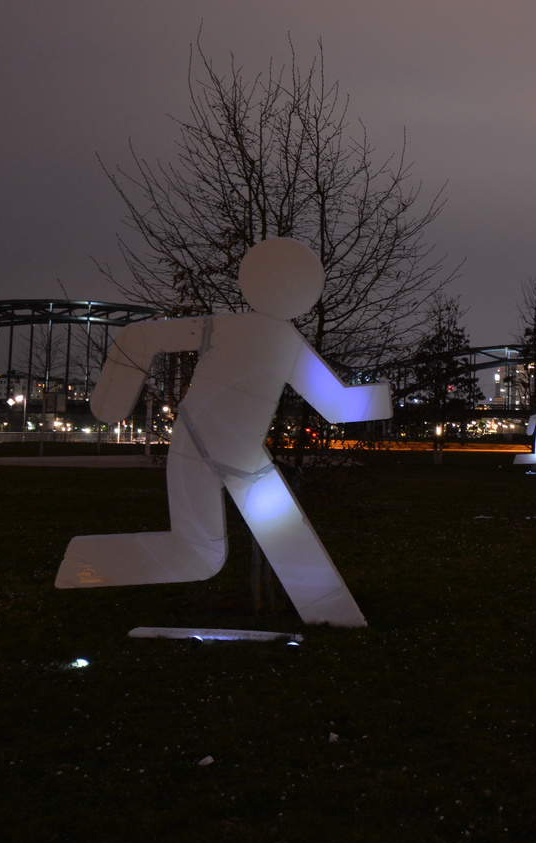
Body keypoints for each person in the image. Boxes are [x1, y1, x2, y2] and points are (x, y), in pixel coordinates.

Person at [56, 237, 391, 627]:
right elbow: (340, 407)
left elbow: (140, 337)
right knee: (205, 554)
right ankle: (85, 564)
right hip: (215, 453)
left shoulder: (238, 331)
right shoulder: (283, 343)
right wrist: (383, 397)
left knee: (202, 554)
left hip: (220, 452)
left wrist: (111, 403)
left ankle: (86, 563)